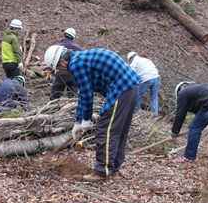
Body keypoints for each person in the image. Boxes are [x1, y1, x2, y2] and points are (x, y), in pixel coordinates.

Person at [44, 45, 141, 182]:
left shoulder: (76, 64)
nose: (62, 73)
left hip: (121, 88)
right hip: (130, 86)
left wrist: (86, 119)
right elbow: (83, 94)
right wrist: (78, 121)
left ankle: (102, 172)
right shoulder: (79, 59)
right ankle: (112, 169)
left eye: (59, 71)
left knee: (105, 129)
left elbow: (87, 94)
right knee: (118, 130)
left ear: (63, 62)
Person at [50, 28, 82, 100]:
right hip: (73, 75)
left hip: (60, 75)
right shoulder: (77, 47)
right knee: (73, 97)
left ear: (64, 35)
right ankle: (72, 109)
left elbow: (53, 60)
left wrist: (49, 69)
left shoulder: (57, 46)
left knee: (55, 95)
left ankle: (53, 108)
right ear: (73, 37)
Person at [127, 52, 161, 118]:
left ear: (131, 59)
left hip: (146, 79)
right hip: (157, 78)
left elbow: (131, 74)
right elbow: (155, 69)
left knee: (138, 95)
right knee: (154, 98)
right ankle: (155, 115)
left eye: (130, 61)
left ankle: (135, 112)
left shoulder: (134, 62)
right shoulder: (146, 60)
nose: (130, 62)